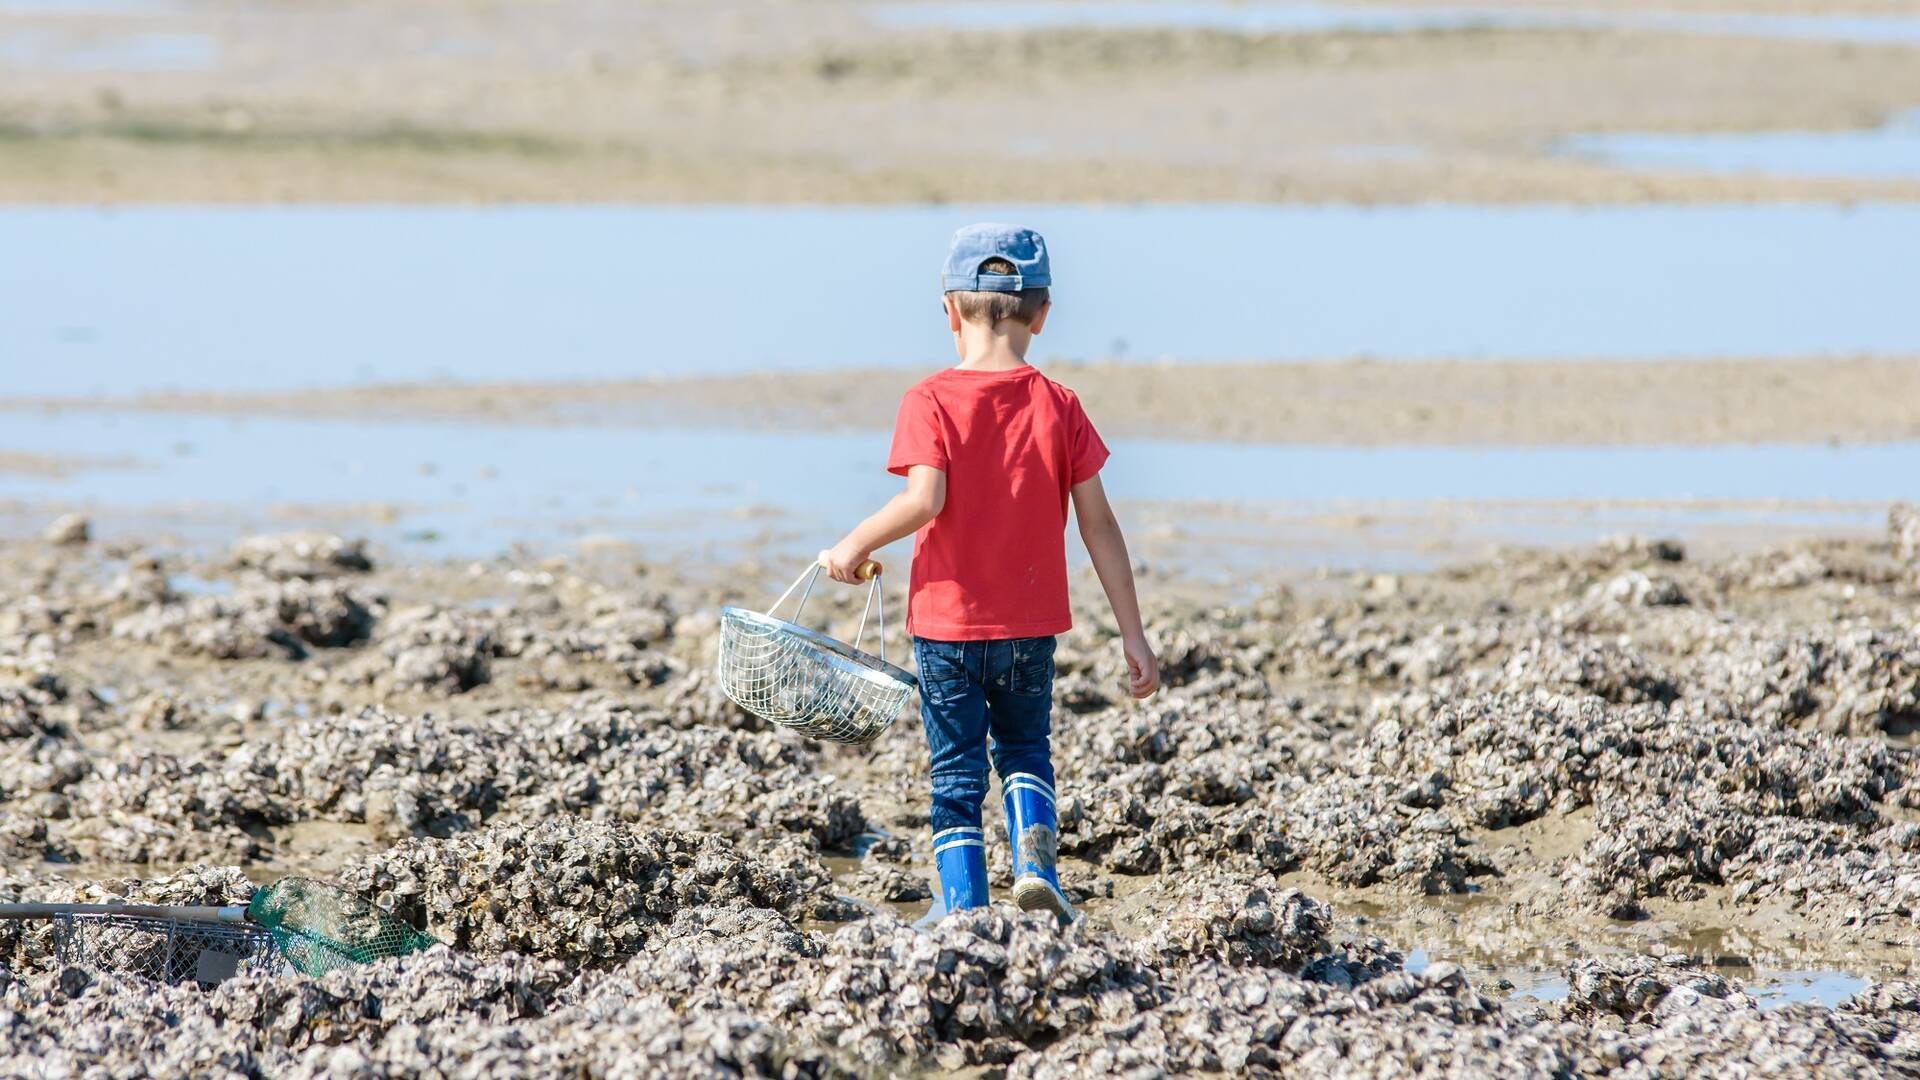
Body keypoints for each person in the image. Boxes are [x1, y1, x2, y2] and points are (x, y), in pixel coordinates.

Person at [821, 223, 1160, 926]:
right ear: (1041, 315)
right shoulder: (1059, 404)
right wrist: (1134, 635)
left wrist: (851, 546)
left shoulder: (930, 400)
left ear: (950, 311)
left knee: (955, 778)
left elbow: (924, 500)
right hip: (1030, 627)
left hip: (947, 630)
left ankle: (966, 908)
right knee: (1026, 748)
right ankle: (1036, 869)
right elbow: (1099, 524)